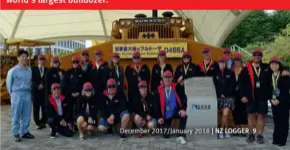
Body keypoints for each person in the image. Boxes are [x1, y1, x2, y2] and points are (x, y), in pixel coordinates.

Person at [239, 48, 271, 144]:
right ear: (252, 56)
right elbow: (241, 83)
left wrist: (285, 71)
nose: (257, 57)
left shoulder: (266, 67)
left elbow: (278, 69)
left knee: (261, 116)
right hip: (250, 96)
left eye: (259, 55)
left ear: (261, 56)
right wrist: (243, 95)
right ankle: (251, 134)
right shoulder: (246, 69)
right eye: (255, 55)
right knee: (251, 115)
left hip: (262, 96)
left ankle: (260, 135)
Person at [6, 49, 35, 142]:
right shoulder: (13, 71)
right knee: (16, 114)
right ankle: (15, 133)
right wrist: (12, 95)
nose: (25, 58)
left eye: (26, 57)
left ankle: (25, 132)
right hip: (17, 94)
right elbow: (9, 84)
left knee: (27, 114)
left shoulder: (29, 70)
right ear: (18, 58)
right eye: (22, 56)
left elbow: (30, 83)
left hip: (27, 93)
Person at [155, 71, 188, 144]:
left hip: (175, 111)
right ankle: (167, 127)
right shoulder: (158, 90)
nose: (167, 79)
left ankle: (181, 134)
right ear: (163, 79)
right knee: (166, 135)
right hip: (164, 115)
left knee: (184, 115)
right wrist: (159, 117)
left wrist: (182, 109)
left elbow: (184, 99)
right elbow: (156, 106)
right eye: (165, 77)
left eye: (169, 77)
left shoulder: (177, 87)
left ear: (172, 78)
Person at [267, 56, 290, 147]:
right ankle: (276, 139)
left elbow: (285, 90)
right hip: (273, 101)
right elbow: (269, 89)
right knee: (276, 121)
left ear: (279, 65)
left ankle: (282, 140)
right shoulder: (270, 75)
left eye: (276, 64)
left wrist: (279, 100)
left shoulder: (284, 74)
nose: (274, 66)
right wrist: (272, 99)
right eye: (272, 64)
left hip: (283, 101)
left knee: (283, 121)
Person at [213, 56, 236, 139]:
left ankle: (221, 131)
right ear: (218, 64)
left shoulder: (231, 73)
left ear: (226, 64)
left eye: (224, 63)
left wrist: (225, 94)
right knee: (223, 114)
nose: (222, 64)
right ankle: (226, 131)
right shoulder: (215, 73)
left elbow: (232, 86)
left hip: (228, 97)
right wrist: (220, 94)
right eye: (220, 63)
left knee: (225, 114)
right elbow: (214, 86)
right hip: (218, 97)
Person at [65, 56, 85, 126]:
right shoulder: (68, 72)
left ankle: (77, 123)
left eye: (77, 62)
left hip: (79, 95)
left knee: (78, 109)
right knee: (70, 109)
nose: (75, 63)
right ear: (72, 63)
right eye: (74, 62)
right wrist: (71, 93)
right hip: (70, 95)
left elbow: (83, 84)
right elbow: (65, 85)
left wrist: (79, 92)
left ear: (79, 63)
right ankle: (70, 123)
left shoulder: (82, 72)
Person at [231, 53, 248, 136]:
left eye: (238, 60)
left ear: (241, 61)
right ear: (234, 61)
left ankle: (243, 129)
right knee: (235, 111)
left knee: (244, 111)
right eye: (236, 60)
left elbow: (248, 83)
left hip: (243, 93)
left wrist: (246, 94)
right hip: (234, 94)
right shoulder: (231, 70)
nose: (237, 62)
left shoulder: (245, 70)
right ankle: (236, 128)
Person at [31, 54, 47, 130]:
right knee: (36, 108)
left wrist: (44, 85)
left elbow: (48, 80)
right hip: (36, 92)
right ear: (38, 60)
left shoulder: (47, 69)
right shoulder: (33, 69)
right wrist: (37, 85)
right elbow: (32, 80)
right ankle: (37, 122)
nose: (42, 61)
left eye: (43, 60)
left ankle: (43, 122)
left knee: (44, 108)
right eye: (40, 59)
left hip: (44, 93)